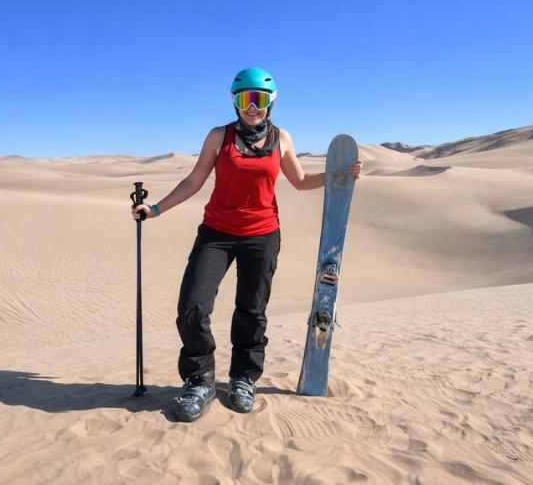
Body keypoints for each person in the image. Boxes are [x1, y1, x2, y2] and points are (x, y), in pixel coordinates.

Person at [130, 67, 362, 422]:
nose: (252, 107)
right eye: (244, 99)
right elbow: (194, 180)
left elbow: (299, 181)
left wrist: (337, 175)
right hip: (216, 233)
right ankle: (199, 380)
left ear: (271, 103)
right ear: (235, 102)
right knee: (192, 306)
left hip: (262, 234)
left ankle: (243, 378)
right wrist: (156, 208)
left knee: (251, 311)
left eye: (260, 99)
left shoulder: (282, 139)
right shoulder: (218, 136)